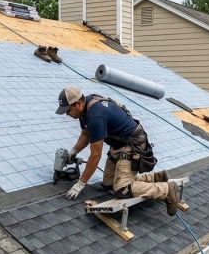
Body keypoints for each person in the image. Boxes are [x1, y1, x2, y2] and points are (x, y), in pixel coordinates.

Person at [55, 87, 180, 215]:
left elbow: (95, 155)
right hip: (118, 146)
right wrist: (74, 151)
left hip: (132, 146)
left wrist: (80, 184)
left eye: (68, 110)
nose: (67, 114)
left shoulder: (96, 115)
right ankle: (156, 177)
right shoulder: (85, 108)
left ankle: (166, 189)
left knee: (122, 189)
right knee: (108, 183)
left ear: (78, 104)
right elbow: (85, 134)